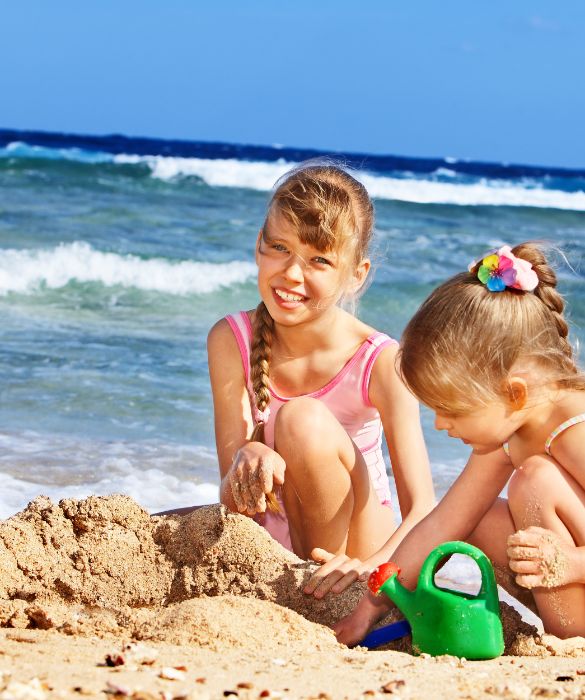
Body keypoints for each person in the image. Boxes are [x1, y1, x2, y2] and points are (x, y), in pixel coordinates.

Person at [328, 242, 585, 642]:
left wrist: (571, 563)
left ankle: (571, 635)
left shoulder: (576, 431)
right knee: (472, 519)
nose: (439, 424)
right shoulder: (510, 427)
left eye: (452, 409)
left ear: (514, 393)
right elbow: (443, 523)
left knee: (536, 480)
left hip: (576, 569)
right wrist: (368, 609)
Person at [207, 162, 435, 563]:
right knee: (149, 531)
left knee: (301, 420)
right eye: (280, 248)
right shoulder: (230, 339)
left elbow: (421, 511)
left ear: (356, 275)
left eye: (319, 261)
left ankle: (318, 581)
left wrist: (372, 572)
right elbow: (231, 500)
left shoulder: (379, 360)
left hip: (358, 551)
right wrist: (247, 457)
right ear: (258, 245)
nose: (292, 273)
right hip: (270, 541)